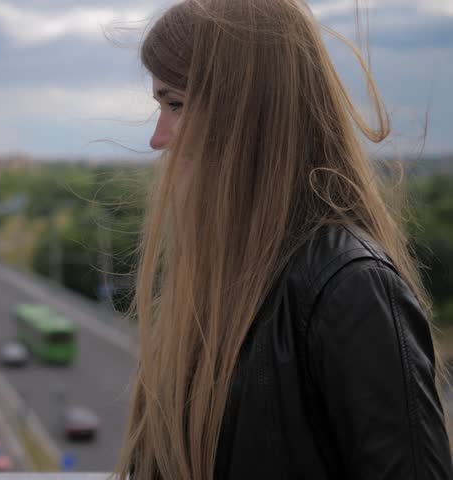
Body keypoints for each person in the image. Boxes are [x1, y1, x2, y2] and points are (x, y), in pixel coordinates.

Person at [116, 0, 453, 479]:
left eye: (175, 104)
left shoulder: (351, 288)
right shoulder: (227, 276)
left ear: (248, 112)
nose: (159, 138)